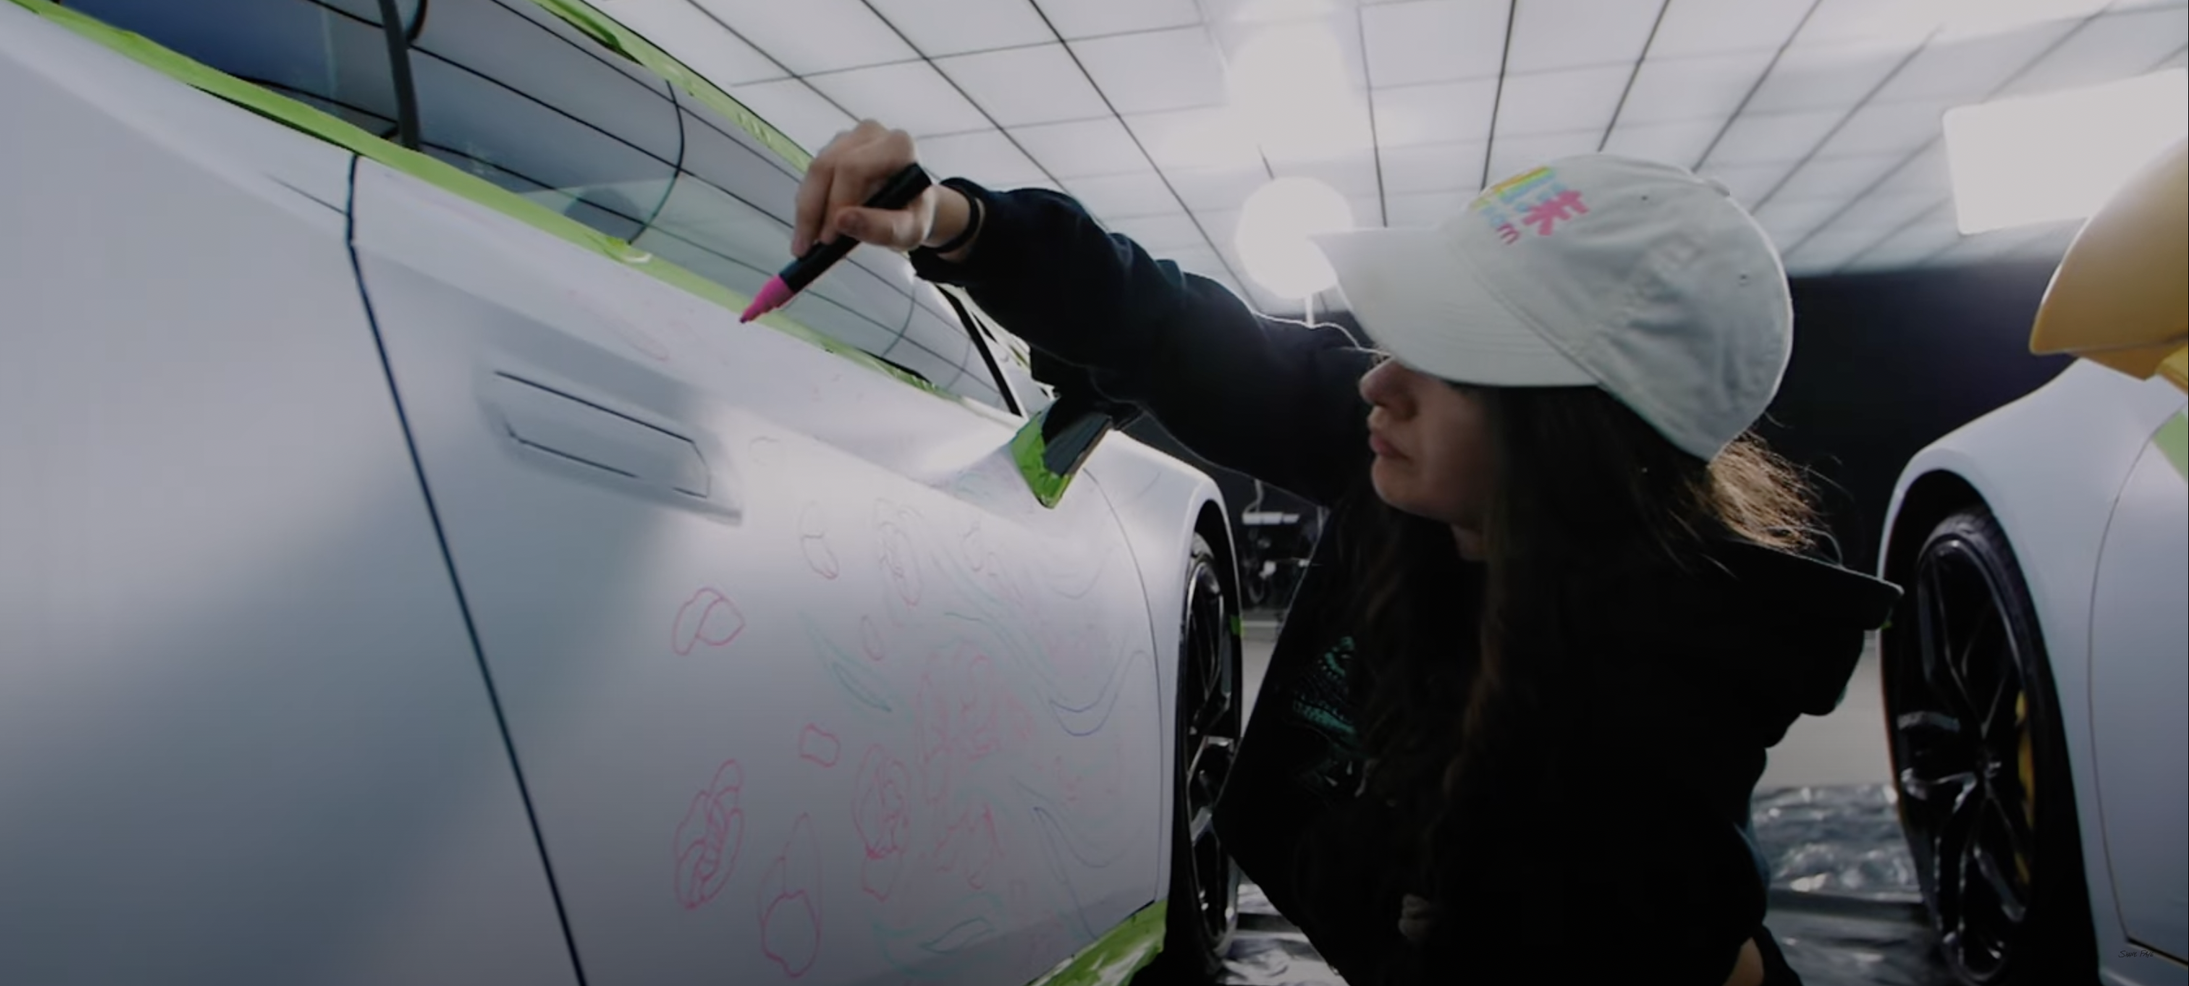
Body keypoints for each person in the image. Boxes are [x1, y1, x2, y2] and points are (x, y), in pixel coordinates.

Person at [788, 120, 1902, 986]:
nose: (1378, 381)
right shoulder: (1432, 481)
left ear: (1580, 431)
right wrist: (952, 221)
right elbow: (1174, 329)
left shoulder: (1634, 764)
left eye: (1448, 357)